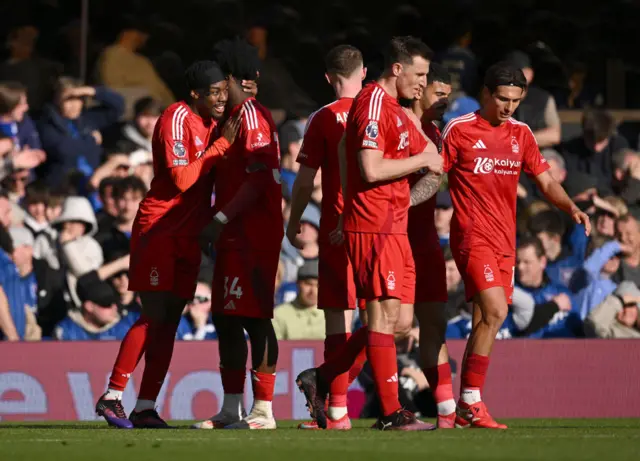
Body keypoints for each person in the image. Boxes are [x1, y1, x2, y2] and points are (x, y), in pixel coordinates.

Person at [297, 36, 443, 431]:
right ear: (397, 69)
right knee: (380, 317)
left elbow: (435, 164)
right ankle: (393, 413)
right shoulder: (373, 104)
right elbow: (371, 168)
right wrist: (423, 159)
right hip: (372, 225)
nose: (423, 82)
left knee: (397, 322)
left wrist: (411, 193)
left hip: (393, 225)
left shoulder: (396, 110)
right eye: (420, 74)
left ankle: (322, 378)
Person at [441, 62, 590, 429]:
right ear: (487, 94)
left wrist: (569, 204)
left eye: (516, 101)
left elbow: (545, 179)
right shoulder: (459, 129)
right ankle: (472, 402)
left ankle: (464, 408)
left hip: (506, 239)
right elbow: (434, 173)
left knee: (484, 318)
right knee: (495, 311)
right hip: (472, 235)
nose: (509, 107)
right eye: (503, 99)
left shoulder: (521, 133)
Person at [94, 60, 242, 429]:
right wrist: (221, 147)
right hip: (160, 227)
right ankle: (112, 396)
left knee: (170, 319)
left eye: (225, 90)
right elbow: (180, 179)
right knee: (155, 314)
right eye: (215, 92)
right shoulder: (176, 118)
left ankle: (145, 406)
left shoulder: (214, 122)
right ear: (195, 94)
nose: (222, 98)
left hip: (189, 235)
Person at [196, 38, 283, 431]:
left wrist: (221, 217)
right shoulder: (227, 119)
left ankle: (263, 411)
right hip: (233, 234)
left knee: (254, 318)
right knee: (227, 318)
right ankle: (231, 409)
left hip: (254, 233)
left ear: (231, 78)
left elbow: (260, 178)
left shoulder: (252, 117)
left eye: (220, 79)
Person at [285, 44, 366, 430]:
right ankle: (336, 409)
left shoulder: (321, 118)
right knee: (388, 320)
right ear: (364, 73)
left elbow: (304, 181)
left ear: (329, 79)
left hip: (336, 229)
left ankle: (334, 404)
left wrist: (293, 220)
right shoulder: (383, 113)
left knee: (339, 320)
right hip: (381, 228)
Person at [405, 62, 457, 428]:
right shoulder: (394, 124)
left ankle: (447, 412)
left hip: (425, 242)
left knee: (433, 324)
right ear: (418, 88)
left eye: (447, 97)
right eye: (438, 94)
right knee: (392, 326)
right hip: (393, 239)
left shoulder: (437, 133)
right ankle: (329, 380)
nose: (443, 102)